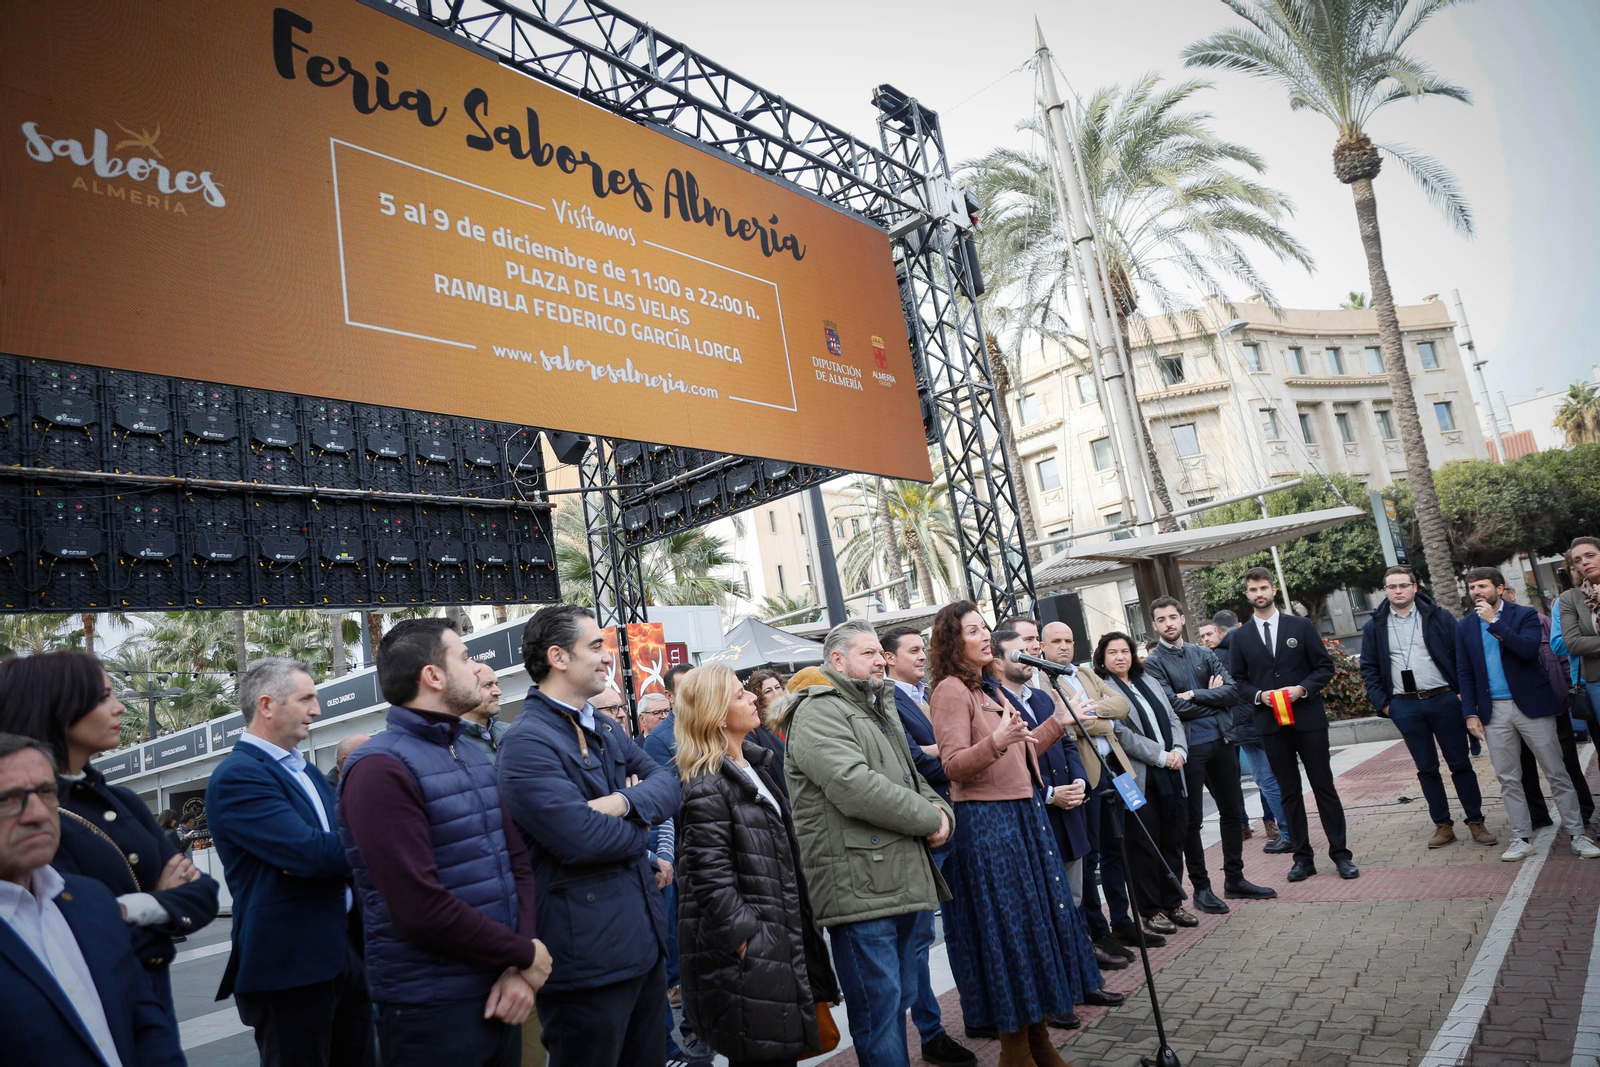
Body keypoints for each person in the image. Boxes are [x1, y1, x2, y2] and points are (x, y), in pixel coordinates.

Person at [339, 619, 552, 1067]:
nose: (477, 669)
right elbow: (418, 907)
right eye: (465, 657)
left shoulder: (472, 752)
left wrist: (520, 965)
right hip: (432, 1008)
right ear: (433, 676)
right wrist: (524, 953)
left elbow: (517, 862)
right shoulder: (378, 767)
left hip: (503, 988)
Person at [497, 605, 681, 1067]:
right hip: (587, 961)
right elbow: (580, 838)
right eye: (595, 647)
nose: (608, 658)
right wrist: (641, 829)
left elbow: (668, 783)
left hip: (639, 942)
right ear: (558, 657)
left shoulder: (597, 723)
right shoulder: (527, 742)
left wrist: (622, 804)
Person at [0, 651, 221, 1025]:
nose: (119, 708)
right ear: (57, 705)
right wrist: (162, 905)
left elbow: (204, 894)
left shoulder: (124, 800)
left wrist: (128, 909)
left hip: (153, 1012)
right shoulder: (32, 817)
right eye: (104, 697)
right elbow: (71, 940)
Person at [929, 604, 1104, 1067]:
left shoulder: (987, 686)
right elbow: (952, 767)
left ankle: (1039, 1041)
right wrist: (996, 741)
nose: (985, 636)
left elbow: (1021, 753)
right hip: (988, 826)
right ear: (952, 642)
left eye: (985, 627)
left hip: (1023, 817)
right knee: (1009, 936)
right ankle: (1014, 1050)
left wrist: (1057, 724)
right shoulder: (950, 690)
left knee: (1033, 931)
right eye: (973, 631)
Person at [784, 618, 953, 1067]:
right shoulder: (818, 710)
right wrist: (928, 819)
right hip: (861, 889)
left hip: (897, 880)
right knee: (879, 1016)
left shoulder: (876, 705)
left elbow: (915, 777)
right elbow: (853, 786)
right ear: (837, 660)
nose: (881, 659)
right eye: (869, 653)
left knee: (896, 1003)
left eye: (881, 652)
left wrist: (944, 816)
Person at [206, 657, 376, 1067]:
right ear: (267, 705)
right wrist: (369, 843)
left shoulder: (305, 769)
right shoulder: (239, 776)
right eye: (307, 699)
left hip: (345, 953)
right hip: (290, 967)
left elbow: (330, 846)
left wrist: (331, 849)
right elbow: (311, 854)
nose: (317, 710)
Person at [673, 664, 841, 1067]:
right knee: (763, 1053)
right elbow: (709, 878)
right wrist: (748, 940)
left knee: (780, 1049)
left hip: (780, 938)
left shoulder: (755, 763)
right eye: (738, 694)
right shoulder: (707, 784)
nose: (752, 697)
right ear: (715, 713)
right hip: (755, 951)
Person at [0, 733, 186, 1067]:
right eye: (7, 799)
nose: (37, 814)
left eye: (46, 792)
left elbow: (147, 1028)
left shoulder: (91, 900)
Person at [1455, 568, 1600, 861]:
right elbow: (1464, 671)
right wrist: (1470, 713)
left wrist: (1493, 622)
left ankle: (1577, 834)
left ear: (1500, 587)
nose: (1476, 592)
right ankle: (1521, 837)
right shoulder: (1465, 626)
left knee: (1556, 773)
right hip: (1494, 712)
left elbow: (1527, 649)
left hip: (1533, 707)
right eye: (1472, 588)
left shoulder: (1524, 615)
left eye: (1482, 586)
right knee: (1508, 778)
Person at [1142, 599, 1277, 910]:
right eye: (1161, 619)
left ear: (1183, 618)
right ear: (1154, 625)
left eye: (1173, 617)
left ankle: (1235, 879)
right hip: (1189, 750)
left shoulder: (1204, 653)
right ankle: (1202, 888)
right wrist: (1210, 698)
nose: (1168, 624)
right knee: (1192, 822)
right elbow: (1171, 706)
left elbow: (1231, 693)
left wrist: (1194, 694)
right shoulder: (1153, 663)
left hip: (1223, 740)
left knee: (1232, 813)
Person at [881, 626, 976, 1067]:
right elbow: (912, 761)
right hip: (927, 830)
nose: (922, 656)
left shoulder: (930, 692)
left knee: (963, 924)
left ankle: (976, 1009)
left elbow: (956, 747)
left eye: (924, 648)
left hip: (956, 821)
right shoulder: (886, 699)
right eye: (913, 650)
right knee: (919, 940)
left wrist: (942, 749)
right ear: (887, 657)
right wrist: (949, 753)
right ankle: (931, 1033)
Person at [1229, 568, 1358, 882]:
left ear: (1273, 590)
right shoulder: (1240, 637)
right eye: (1253, 589)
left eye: (1263, 587)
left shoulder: (1299, 626)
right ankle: (1303, 858)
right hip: (1270, 724)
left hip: (1308, 720)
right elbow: (1238, 681)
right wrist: (1260, 696)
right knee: (1288, 792)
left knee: (1324, 787)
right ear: (1247, 595)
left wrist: (1302, 689)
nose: (1259, 594)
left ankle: (1341, 855)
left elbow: (1324, 667)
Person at [1359, 566, 1496, 849]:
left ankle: (1475, 821)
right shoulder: (1375, 625)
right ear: (1385, 591)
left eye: (1403, 585)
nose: (1398, 590)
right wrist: (1385, 705)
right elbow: (1369, 667)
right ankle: (1443, 825)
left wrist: (1462, 695)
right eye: (1392, 586)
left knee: (1460, 764)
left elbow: (1461, 656)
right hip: (1405, 706)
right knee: (1426, 768)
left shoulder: (1438, 617)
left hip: (1444, 700)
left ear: (1415, 588)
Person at [1040, 621, 1141, 968]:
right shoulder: (1042, 681)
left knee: (1119, 850)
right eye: (1056, 641)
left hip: (1116, 767)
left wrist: (1091, 715)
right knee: (1092, 857)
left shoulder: (1082, 672)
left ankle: (1123, 921)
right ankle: (1098, 931)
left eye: (1068, 640)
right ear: (1042, 646)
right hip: (1086, 775)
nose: (1064, 646)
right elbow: (1067, 725)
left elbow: (1121, 704)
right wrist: (1100, 719)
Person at [1094, 632, 1192, 936]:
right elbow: (1121, 734)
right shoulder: (1103, 689)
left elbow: (1173, 717)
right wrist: (1161, 756)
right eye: (1113, 652)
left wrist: (1180, 750)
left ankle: (1173, 901)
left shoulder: (1148, 680)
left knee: (1173, 839)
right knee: (1144, 844)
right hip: (1134, 776)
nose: (1121, 657)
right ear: (1102, 658)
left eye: (1125, 651)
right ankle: (1151, 910)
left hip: (1172, 771)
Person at [1507, 584, 1595, 828]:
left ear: (1512, 593)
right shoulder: (1488, 627)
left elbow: (1563, 657)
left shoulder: (1542, 621)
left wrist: (1569, 689)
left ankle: (1583, 812)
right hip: (1514, 707)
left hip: (1553, 703)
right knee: (1523, 766)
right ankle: (1538, 817)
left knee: (1566, 763)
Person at [458, 661, 510, 763]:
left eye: (496, 684)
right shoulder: (449, 744)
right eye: (488, 685)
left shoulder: (511, 732)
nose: (498, 692)